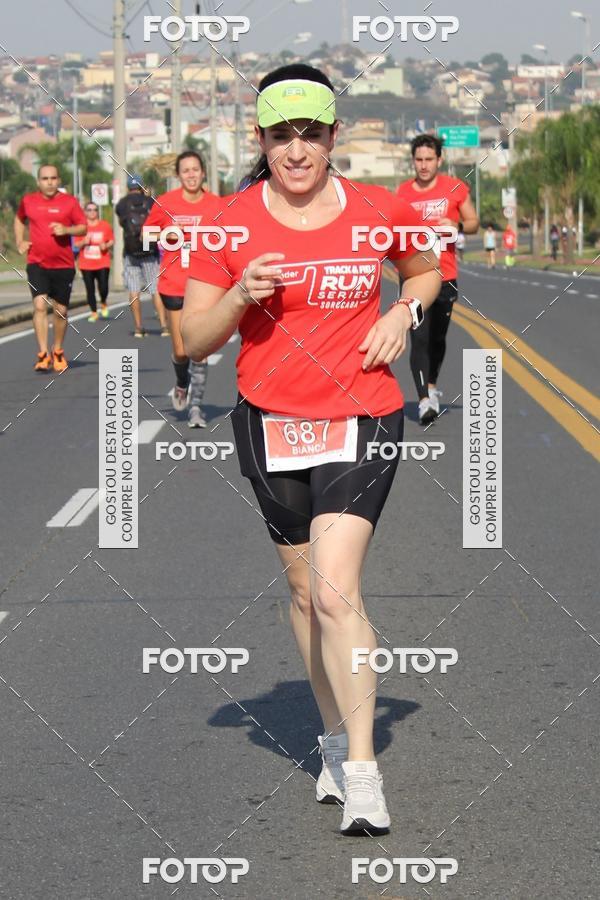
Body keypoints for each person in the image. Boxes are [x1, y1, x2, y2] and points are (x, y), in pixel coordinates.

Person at [181, 63, 441, 835]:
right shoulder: (225, 223)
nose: (298, 149)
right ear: (260, 138)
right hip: (269, 420)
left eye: (312, 133)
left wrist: (404, 314)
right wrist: (237, 296)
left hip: (363, 411)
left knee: (334, 590)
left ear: (333, 136)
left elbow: (425, 270)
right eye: (282, 134)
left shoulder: (375, 208)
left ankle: (362, 769)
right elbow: (193, 339)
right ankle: (331, 740)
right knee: (302, 596)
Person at [396, 135, 479, 425]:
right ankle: (423, 401)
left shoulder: (455, 188)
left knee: (437, 339)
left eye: (429, 159)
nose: (423, 165)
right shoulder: (403, 192)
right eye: (418, 160)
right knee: (418, 338)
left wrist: (456, 225)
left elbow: (473, 223)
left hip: (446, 276)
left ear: (439, 160)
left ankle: (431, 385)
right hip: (414, 275)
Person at [143, 151, 220, 426]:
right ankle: (181, 381)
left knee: (199, 350)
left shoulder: (216, 205)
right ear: (178, 175)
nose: (191, 175)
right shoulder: (165, 203)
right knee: (181, 351)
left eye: (195, 169)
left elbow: (232, 237)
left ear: (203, 173)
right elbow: (145, 234)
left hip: (206, 284)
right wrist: (167, 234)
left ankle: (196, 407)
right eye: (185, 170)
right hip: (174, 283)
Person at [14, 164, 87, 372]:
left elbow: (83, 226)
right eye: (45, 179)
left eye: (53, 178)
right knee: (39, 305)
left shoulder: (69, 203)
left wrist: (67, 229)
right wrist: (20, 241)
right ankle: (43, 353)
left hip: (63, 265)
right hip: (37, 263)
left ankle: (57, 350)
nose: (49, 182)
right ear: (38, 182)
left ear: (59, 180)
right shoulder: (29, 201)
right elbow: (19, 220)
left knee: (61, 310)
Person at [115, 174, 168, 338]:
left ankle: (138, 327)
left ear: (128, 188)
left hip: (131, 252)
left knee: (133, 290)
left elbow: (122, 223)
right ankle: (164, 326)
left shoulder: (122, 204)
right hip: (149, 250)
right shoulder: (150, 202)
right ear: (141, 187)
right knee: (155, 289)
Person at [75, 200, 114, 322]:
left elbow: (112, 240)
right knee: (90, 289)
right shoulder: (81, 227)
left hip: (102, 261)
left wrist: (106, 246)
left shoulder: (104, 225)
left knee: (103, 287)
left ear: (97, 212)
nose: (92, 212)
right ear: (85, 212)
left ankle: (103, 302)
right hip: (86, 263)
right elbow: (76, 244)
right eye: (89, 210)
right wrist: (83, 242)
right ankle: (93, 312)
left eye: (95, 210)